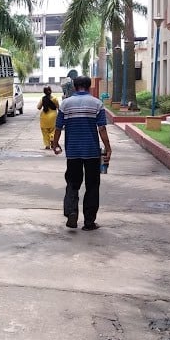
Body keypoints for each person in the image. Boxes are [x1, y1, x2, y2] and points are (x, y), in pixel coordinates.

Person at [50, 75, 111, 231]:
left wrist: (55, 144)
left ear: (75, 87)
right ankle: (89, 222)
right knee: (92, 186)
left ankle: (71, 212)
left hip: (73, 151)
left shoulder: (65, 104)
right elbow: (102, 128)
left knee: (72, 183)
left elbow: (58, 127)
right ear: (89, 87)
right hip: (92, 152)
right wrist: (108, 148)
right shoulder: (97, 104)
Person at [36, 86, 59, 150]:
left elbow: (38, 107)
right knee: (53, 130)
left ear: (44, 92)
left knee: (45, 131)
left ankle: (47, 145)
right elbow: (58, 107)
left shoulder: (42, 99)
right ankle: (52, 139)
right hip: (53, 117)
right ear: (51, 91)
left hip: (44, 117)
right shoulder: (55, 99)